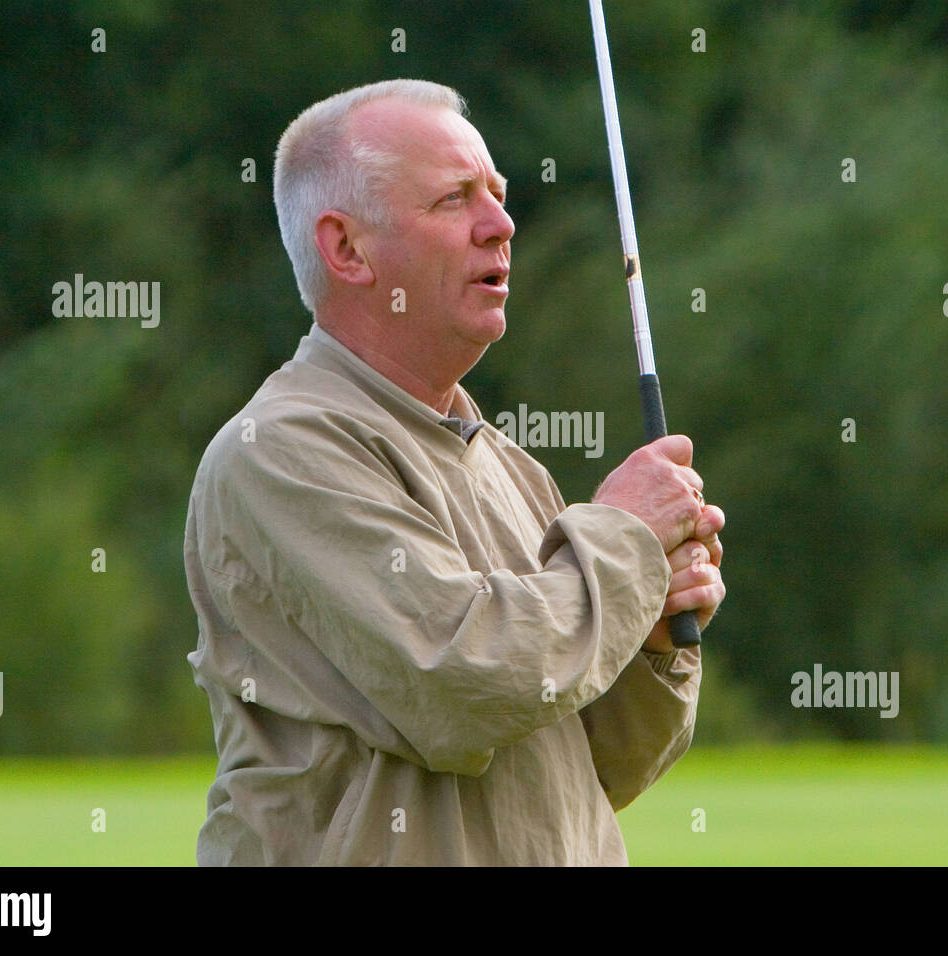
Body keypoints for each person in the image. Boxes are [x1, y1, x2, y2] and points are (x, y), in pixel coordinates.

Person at [184, 79, 726, 865]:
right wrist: (626, 543)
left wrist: (652, 634)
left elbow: (594, 766)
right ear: (347, 249)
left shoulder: (510, 466)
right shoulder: (280, 451)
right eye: (454, 199)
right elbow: (461, 684)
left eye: (500, 196)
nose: (503, 225)